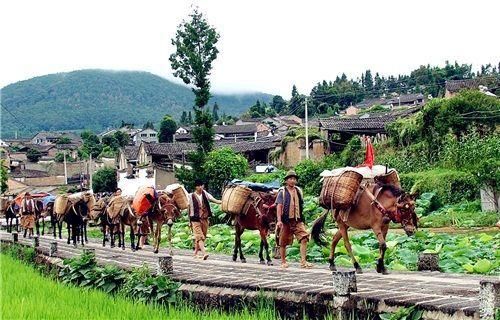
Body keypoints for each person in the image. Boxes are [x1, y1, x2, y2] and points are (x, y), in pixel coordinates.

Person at [275, 170, 313, 269]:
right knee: (282, 242)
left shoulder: (298, 191)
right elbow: (279, 206)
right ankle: (283, 261)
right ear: (286, 181)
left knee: (304, 238)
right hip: (286, 221)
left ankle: (303, 261)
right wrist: (279, 221)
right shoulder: (282, 192)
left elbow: (301, 205)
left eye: (294, 179)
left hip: (297, 220)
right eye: (290, 179)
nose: (293, 180)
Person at [188, 179, 221, 260]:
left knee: (203, 236)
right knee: (199, 236)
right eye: (198, 186)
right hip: (195, 219)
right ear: (196, 187)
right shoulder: (191, 196)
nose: (200, 187)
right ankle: (204, 253)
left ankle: (195, 253)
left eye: (201, 185)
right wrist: (189, 221)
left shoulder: (205, 194)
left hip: (204, 218)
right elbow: (189, 209)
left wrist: (222, 202)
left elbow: (214, 200)